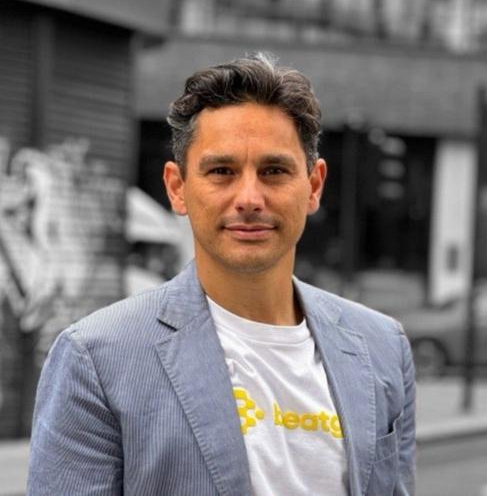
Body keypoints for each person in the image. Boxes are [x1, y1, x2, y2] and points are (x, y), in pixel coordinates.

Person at [27, 53, 416, 495]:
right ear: (177, 188)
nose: (249, 198)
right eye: (221, 171)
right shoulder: (95, 358)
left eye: (274, 171)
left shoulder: (382, 347)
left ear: (313, 185)